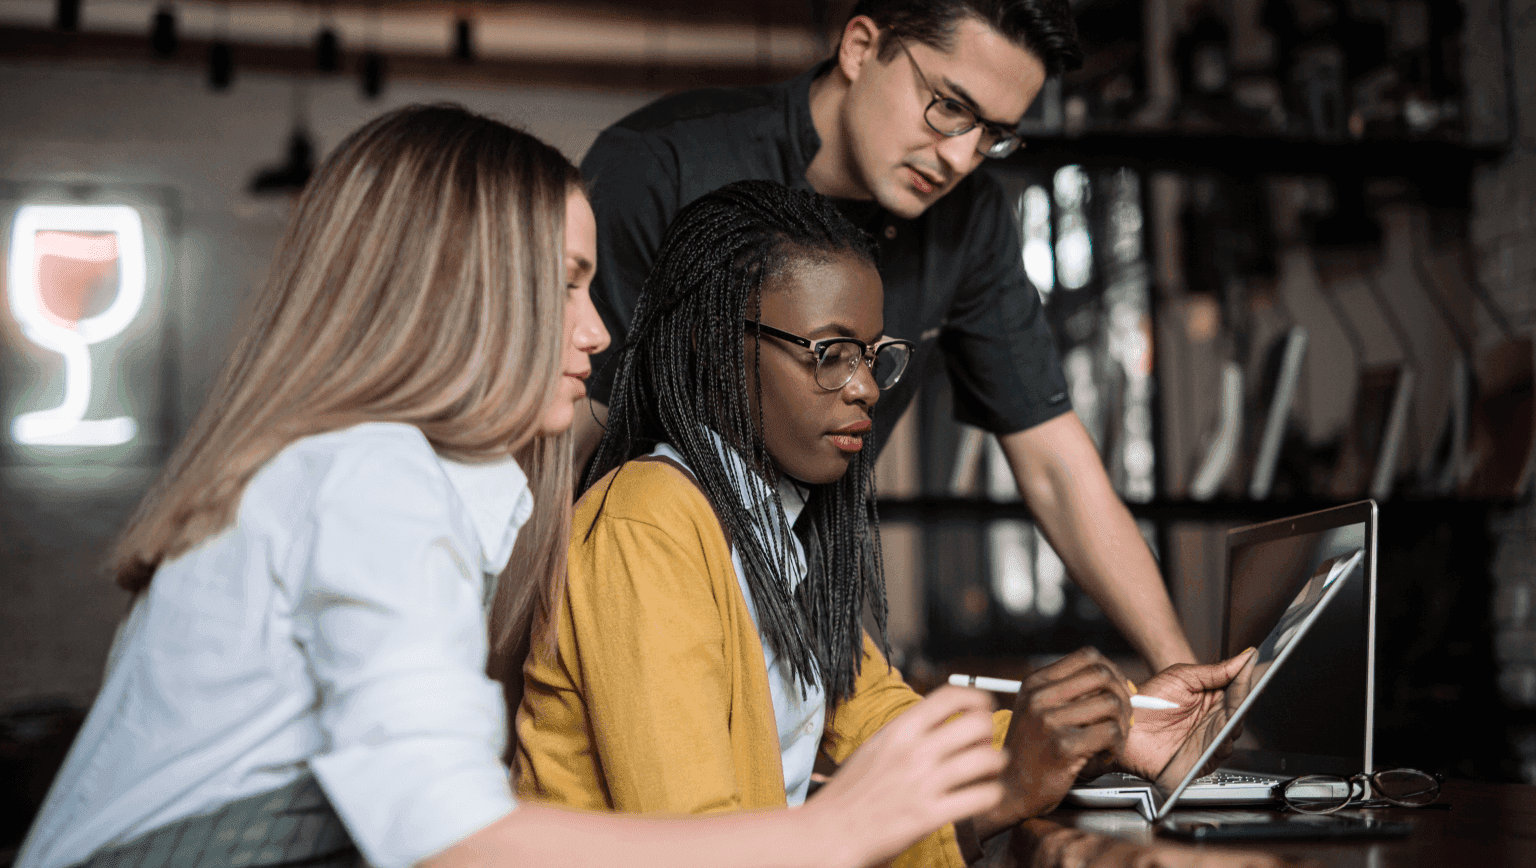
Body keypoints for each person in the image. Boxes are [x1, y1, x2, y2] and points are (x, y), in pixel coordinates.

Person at [14, 106, 1009, 868]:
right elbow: (450, 836)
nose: (599, 330)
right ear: (465, 289)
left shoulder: (454, 484)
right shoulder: (366, 478)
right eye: (568, 283)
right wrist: (827, 833)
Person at [516, 181, 1257, 867]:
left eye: (872, 356)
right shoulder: (647, 525)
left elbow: (881, 721)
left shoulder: (773, 529)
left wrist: (1107, 734)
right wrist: (1007, 788)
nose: (866, 386)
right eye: (831, 354)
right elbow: (699, 845)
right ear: (720, 348)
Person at [572, 0, 1198, 673]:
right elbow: (580, 440)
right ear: (861, 47)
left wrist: (1179, 674)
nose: (961, 155)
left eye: (994, 134)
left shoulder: (970, 218)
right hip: (642, 605)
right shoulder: (663, 167)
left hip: (814, 619)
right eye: (949, 106)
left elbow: (1054, 462)